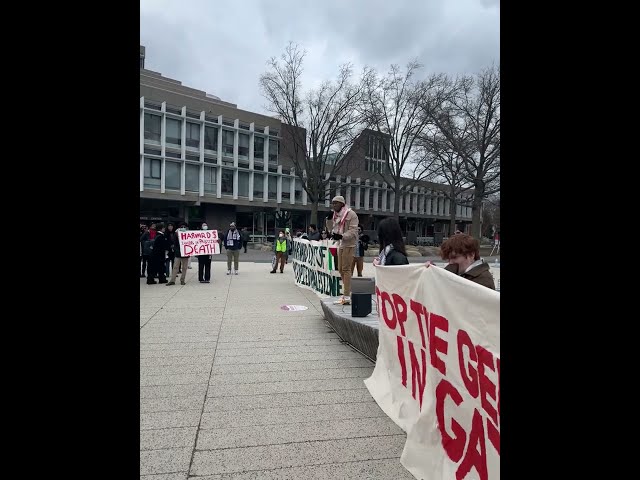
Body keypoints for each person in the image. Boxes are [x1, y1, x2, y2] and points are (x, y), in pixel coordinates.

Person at [430, 233, 495, 290]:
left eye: (454, 257)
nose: (450, 262)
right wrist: (431, 271)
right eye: (449, 259)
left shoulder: (483, 280)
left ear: (471, 255)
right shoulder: (458, 272)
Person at [325, 195, 359, 305]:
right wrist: (329, 219)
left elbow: (353, 230)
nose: (334, 205)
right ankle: (346, 292)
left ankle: (347, 295)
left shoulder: (351, 214)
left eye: (336, 203)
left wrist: (342, 236)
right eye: (332, 203)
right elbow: (331, 229)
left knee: (346, 269)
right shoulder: (335, 215)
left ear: (342, 204)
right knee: (340, 269)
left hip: (349, 244)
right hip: (340, 244)